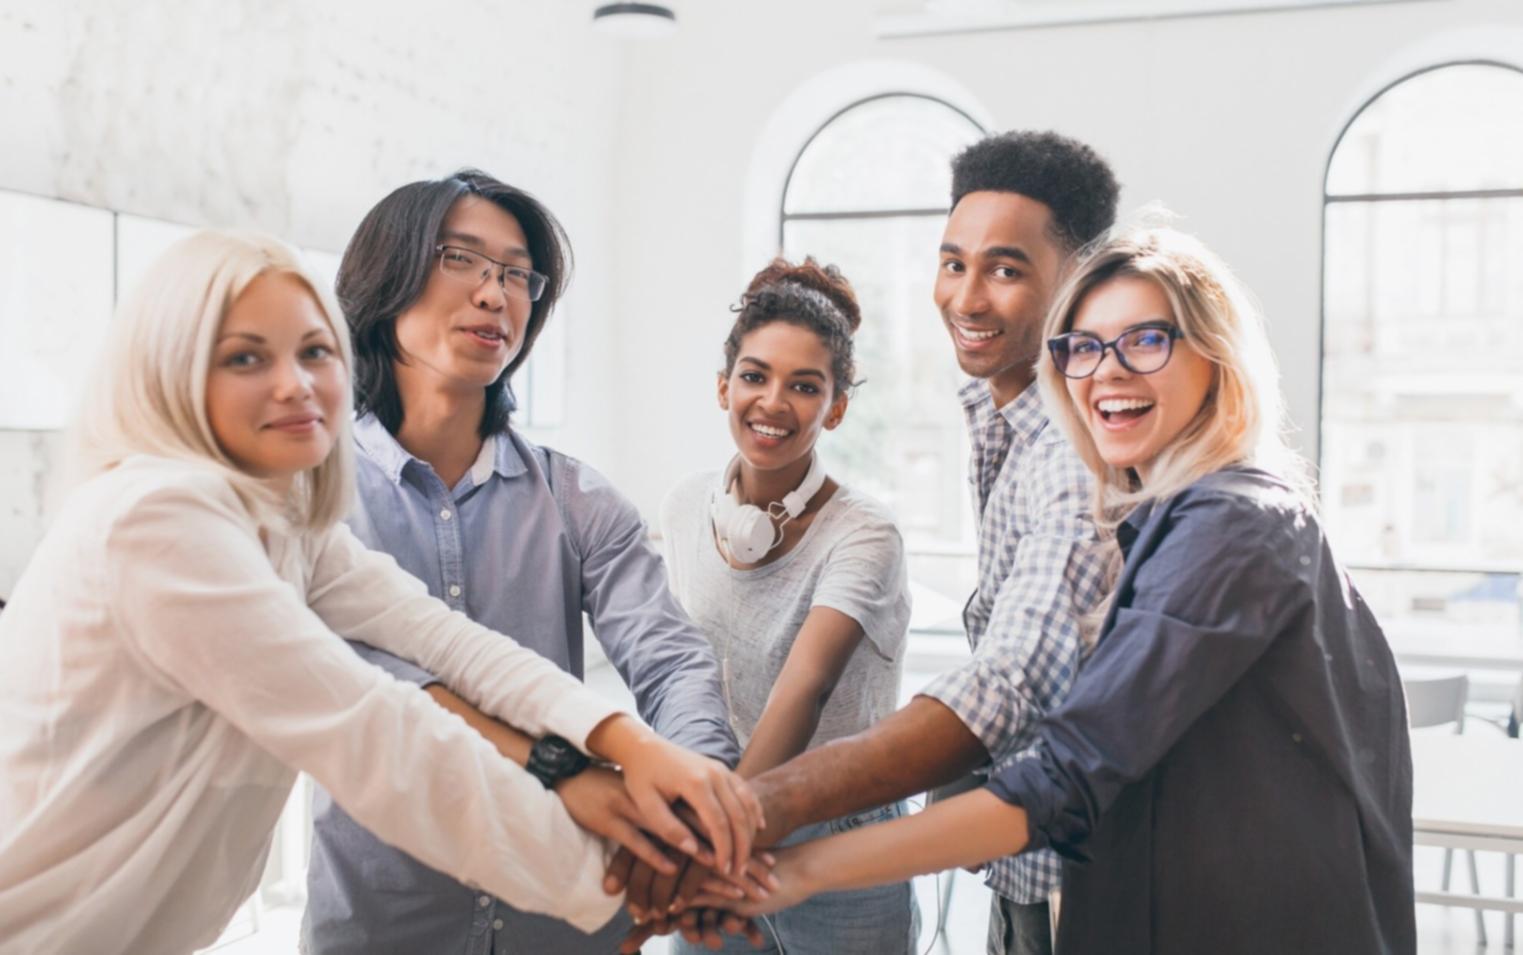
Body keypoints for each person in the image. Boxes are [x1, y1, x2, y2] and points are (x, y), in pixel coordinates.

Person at [0, 231, 760, 955]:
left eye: (313, 351)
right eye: (244, 357)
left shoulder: (285, 520)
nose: (295, 384)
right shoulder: (159, 518)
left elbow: (449, 642)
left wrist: (628, 745)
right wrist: (630, 878)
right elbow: (377, 732)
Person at [689, 224, 1416, 955]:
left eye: (1145, 341)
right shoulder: (1178, 520)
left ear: (1216, 357)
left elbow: (1064, 772)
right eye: (1083, 348)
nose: (1107, 372)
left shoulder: (1232, 524)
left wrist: (787, 867)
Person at [613, 130, 1120, 955]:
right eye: (952, 263)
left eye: (1005, 269)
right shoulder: (1007, 431)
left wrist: (734, 824)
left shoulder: (1065, 459)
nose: (966, 297)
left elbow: (1008, 680)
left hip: (1056, 863)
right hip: (1009, 856)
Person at [299, 169, 744, 955]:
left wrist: (690, 807)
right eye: (461, 259)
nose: (494, 293)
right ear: (385, 278)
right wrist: (566, 771)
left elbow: (672, 661)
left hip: (563, 921)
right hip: (387, 922)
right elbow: (367, 686)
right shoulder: (311, 497)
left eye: (516, 274)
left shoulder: (577, 499)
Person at [657, 259, 917, 953]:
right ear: (723, 386)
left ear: (836, 407)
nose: (772, 402)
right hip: (725, 808)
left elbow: (806, 687)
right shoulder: (684, 506)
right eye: (754, 376)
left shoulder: (865, 534)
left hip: (840, 840)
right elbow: (684, 671)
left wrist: (718, 843)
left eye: (804, 386)